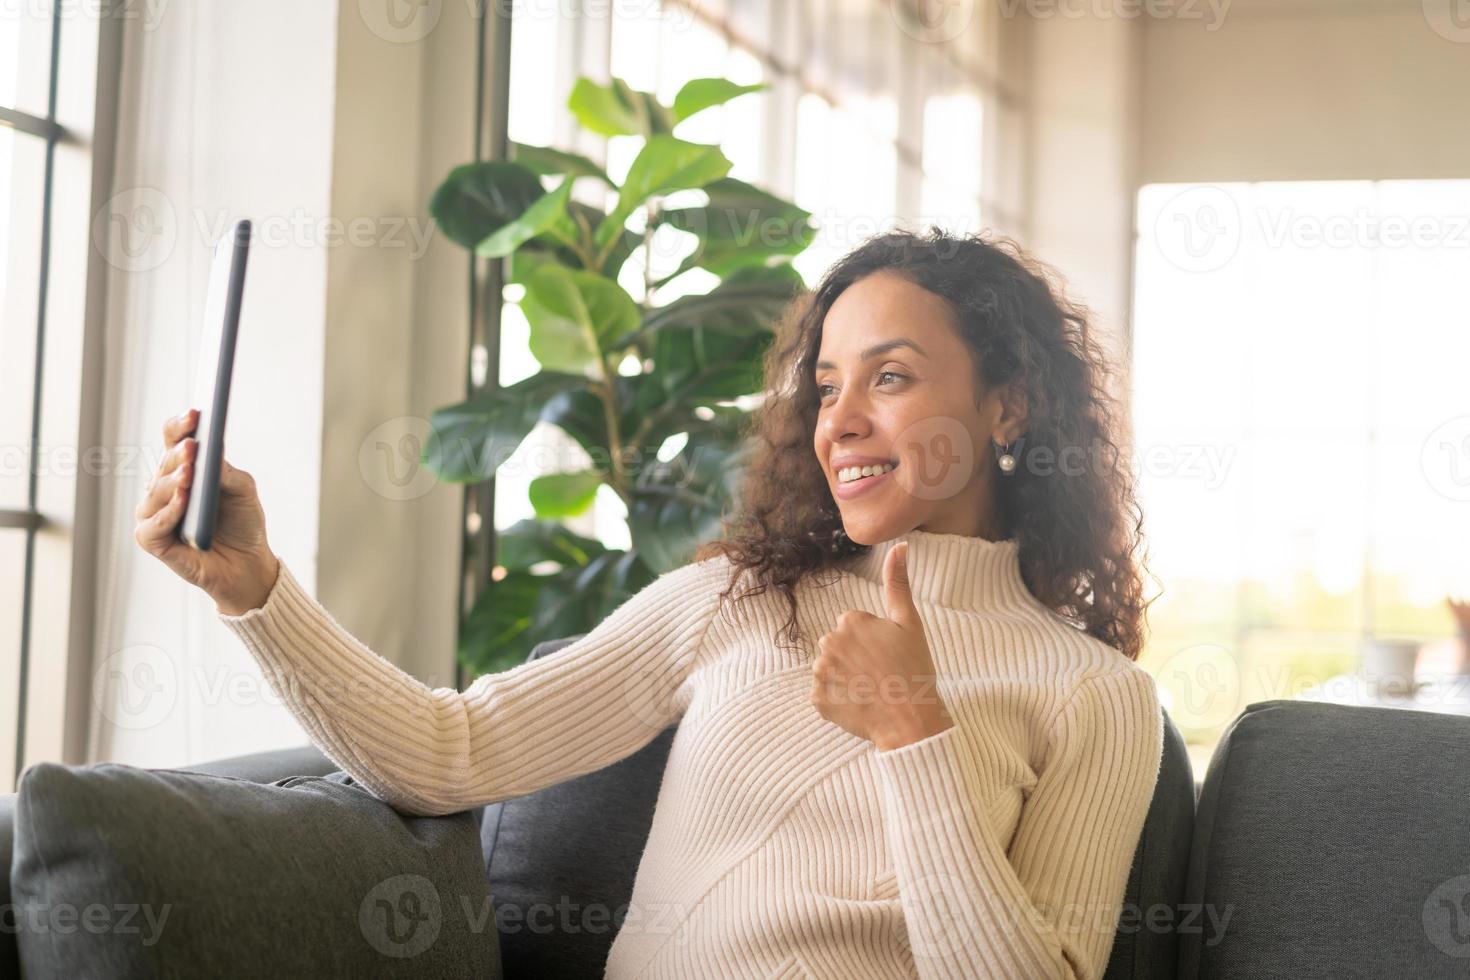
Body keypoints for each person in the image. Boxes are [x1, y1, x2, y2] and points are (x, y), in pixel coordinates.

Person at [135, 227, 1165, 980]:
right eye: (825, 387)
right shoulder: (735, 598)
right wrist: (256, 589)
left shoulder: (1095, 695)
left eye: (888, 378)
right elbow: (446, 752)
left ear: (1009, 405)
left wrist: (914, 732)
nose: (840, 421)